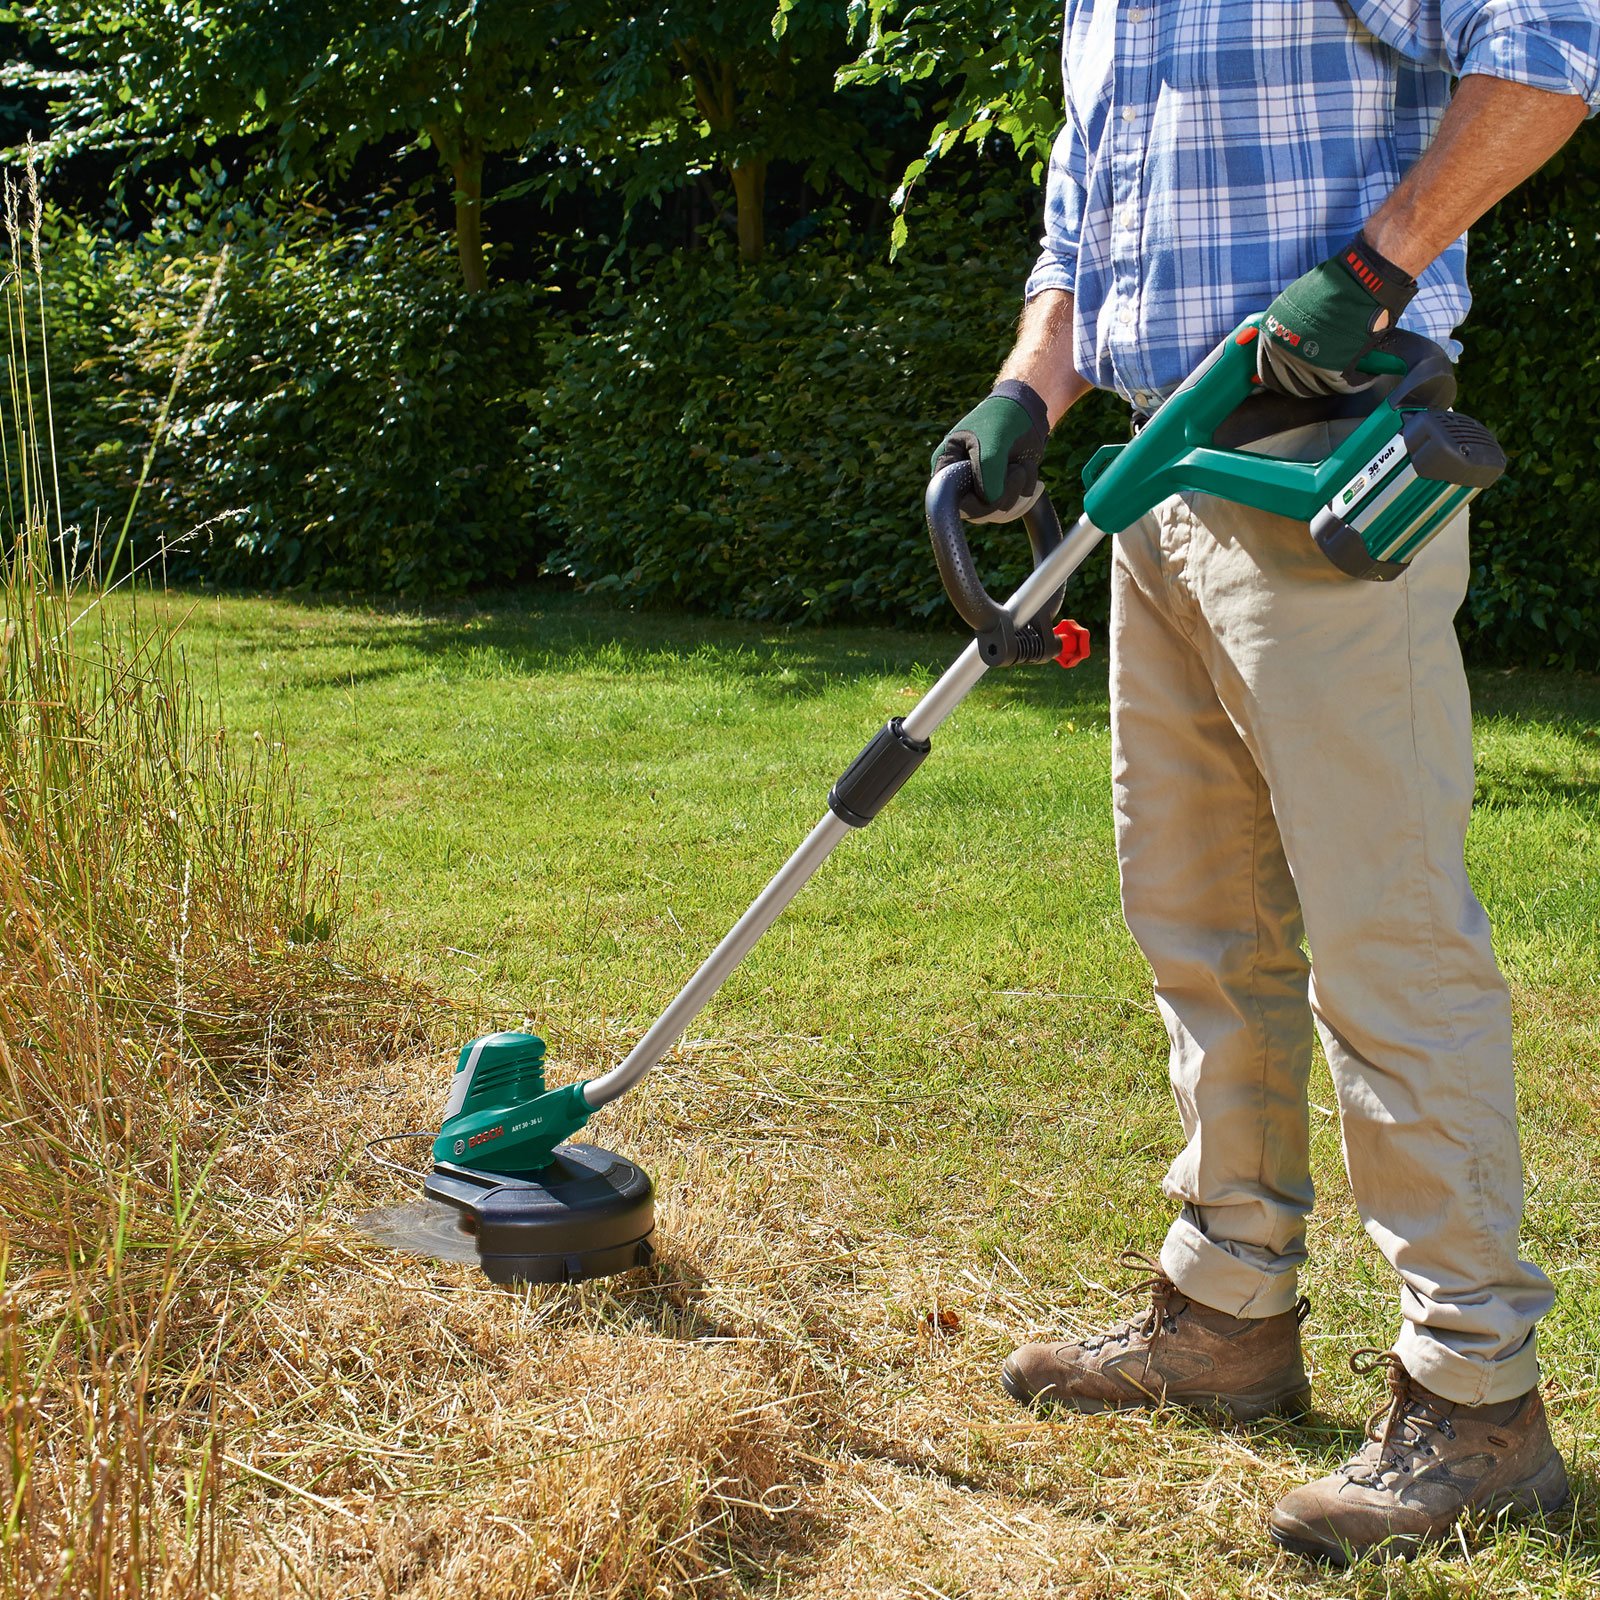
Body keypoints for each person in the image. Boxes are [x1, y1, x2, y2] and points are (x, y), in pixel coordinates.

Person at [931, 0, 1598, 1566]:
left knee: (1388, 932)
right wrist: (1034, 383)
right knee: (1197, 917)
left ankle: (1477, 1396)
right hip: (1157, 483)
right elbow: (1080, 218)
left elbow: (1553, 51)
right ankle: (1226, 1310)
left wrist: (1376, 266)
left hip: (1324, 461)